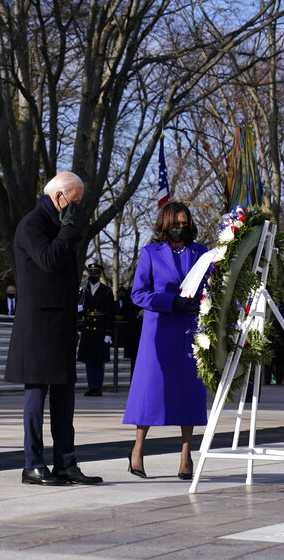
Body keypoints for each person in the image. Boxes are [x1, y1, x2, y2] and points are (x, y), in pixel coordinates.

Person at [4, 171, 102, 486]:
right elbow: (47, 260)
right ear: (58, 196)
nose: (77, 210)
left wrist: (67, 229)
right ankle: (33, 464)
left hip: (59, 322)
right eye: (74, 203)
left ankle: (66, 463)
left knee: (64, 397)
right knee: (36, 397)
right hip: (37, 325)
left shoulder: (58, 225)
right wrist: (69, 229)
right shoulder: (32, 223)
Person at [123, 200, 208, 481]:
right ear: (165, 224)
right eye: (175, 224)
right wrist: (171, 301)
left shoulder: (201, 252)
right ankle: (137, 449)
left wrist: (202, 301)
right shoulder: (150, 253)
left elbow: (212, 286)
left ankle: (186, 456)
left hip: (190, 331)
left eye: (185, 224)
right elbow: (138, 294)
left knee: (189, 393)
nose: (180, 229)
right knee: (150, 392)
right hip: (158, 332)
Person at [77, 262, 115, 397]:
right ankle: (90, 387)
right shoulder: (84, 290)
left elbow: (110, 313)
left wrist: (109, 332)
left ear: (99, 275)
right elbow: (80, 309)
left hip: (100, 329)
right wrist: (79, 309)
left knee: (98, 361)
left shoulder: (106, 291)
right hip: (88, 329)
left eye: (95, 273)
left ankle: (97, 387)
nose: (93, 275)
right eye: (91, 273)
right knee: (88, 360)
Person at [114, 285, 142, 377]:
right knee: (135, 361)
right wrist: (137, 313)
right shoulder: (131, 290)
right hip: (135, 332)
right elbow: (126, 309)